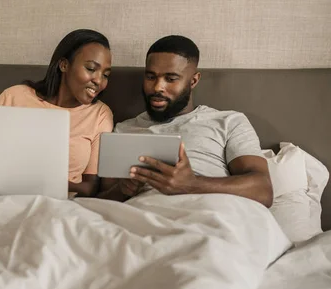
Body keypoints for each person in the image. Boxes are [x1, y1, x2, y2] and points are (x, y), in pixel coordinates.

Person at [99, 35, 273, 207]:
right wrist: (122, 190)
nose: (158, 87)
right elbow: (101, 200)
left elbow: (263, 190)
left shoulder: (227, 122)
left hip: (209, 213)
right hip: (141, 216)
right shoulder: (124, 129)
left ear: (194, 80)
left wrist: (191, 184)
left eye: (171, 79)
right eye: (151, 77)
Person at [0, 29, 114, 197]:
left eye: (106, 75)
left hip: (57, 204)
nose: (99, 81)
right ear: (64, 65)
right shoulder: (15, 96)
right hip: (2, 195)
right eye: (91, 68)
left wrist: (44, 183)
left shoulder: (100, 114)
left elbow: (89, 188)